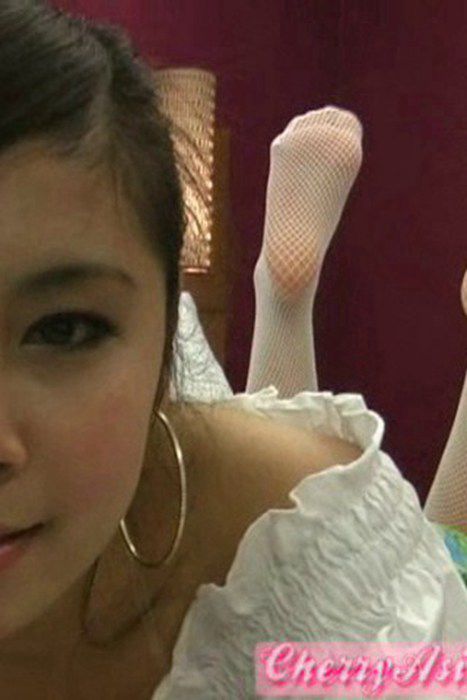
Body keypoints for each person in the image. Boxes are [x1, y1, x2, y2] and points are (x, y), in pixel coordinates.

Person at [0, 2, 465, 699]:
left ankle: (282, 298)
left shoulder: (302, 515)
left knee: (393, 610)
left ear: (164, 328)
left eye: (64, 329)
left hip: (351, 583)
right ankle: (282, 298)